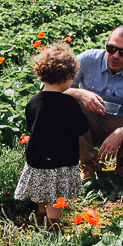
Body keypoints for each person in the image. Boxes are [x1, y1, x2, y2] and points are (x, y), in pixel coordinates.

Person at [65, 25, 123, 178]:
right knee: (67, 107)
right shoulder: (87, 59)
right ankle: (89, 163)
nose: (115, 55)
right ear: (106, 44)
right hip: (90, 123)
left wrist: (121, 133)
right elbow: (54, 91)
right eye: (111, 48)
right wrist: (79, 93)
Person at [14, 43, 91, 228]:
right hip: (61, 159)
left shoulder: (34, 101)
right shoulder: (68, 102)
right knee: (56, 196)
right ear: (67, 77)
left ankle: (41, 217)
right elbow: (81, 127)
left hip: (38, 158)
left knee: (42, 192)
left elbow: (29, 126)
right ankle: (52, 225)